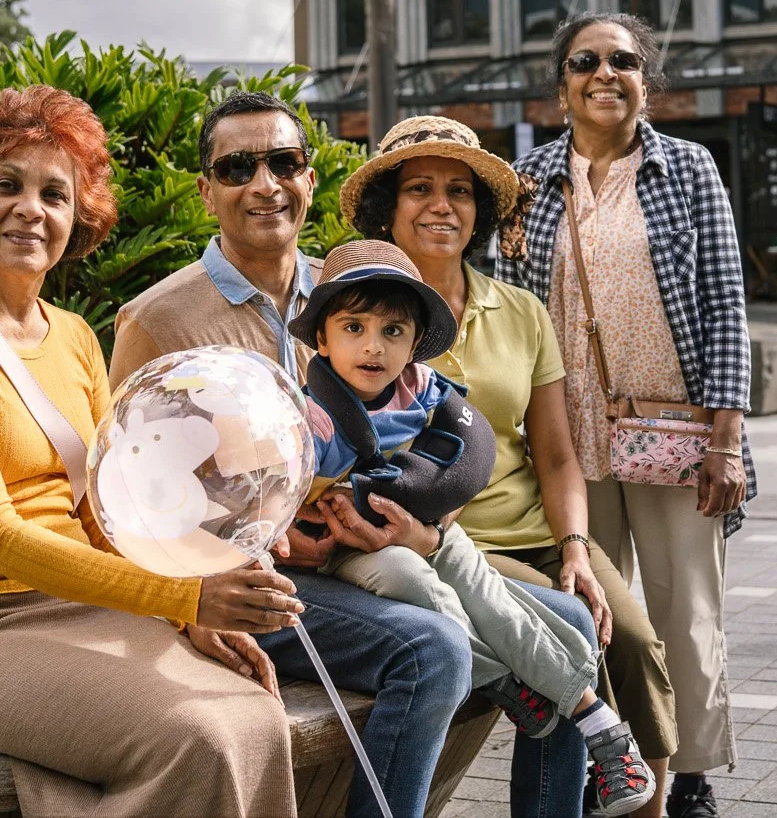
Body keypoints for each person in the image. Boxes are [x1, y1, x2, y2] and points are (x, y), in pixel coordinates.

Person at [111, 91, 593, 818]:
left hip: (377, 549)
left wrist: (422, 521)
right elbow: (126, 499)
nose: (264, 182)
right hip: (255, 581)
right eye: (238, 166)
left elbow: (438, 423)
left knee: (576, 622)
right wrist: (196, 599)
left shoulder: (356, 283)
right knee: (432, 649)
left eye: (284, 161)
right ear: (207, 189)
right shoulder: (159, 318)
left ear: (309, 178)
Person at [0, 85, 302, 818]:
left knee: (258, 715)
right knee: (194, 735)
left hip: (77, 606)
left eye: (54, 193)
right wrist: (184, 594)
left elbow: (110, 508)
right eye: (6, 184)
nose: (31, 208)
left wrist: (190, 617)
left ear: (78, 216)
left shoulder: (70, 335)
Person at [344, 115, 679, 818]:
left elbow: (556, 454)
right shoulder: (360, 314)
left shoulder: (521, 309)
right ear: (387, 208)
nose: (443, 204)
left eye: (460, 190)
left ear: (481, 211)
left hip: (537, 527)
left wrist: (577, 548)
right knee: (578, 629)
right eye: (421, 188)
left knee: (639, 641)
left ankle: (648, 808)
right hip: (449, 542)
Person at [294, 240, 659, 816]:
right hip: (352, 551)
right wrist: (348, 506)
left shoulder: (420, 388)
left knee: (498, 596)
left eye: (393, 332)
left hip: (426, 526)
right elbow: (281, 493)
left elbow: (470, 448)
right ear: (321, 338)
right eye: (354, 327)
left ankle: (597, 720)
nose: (373, 346)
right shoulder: (308, 412)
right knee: (415, 583)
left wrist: (419, 504)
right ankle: (521, 687)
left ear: (415, 344)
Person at [501, 14, 752, 818]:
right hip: (566, 440)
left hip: (676, 435)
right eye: (586, 61)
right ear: (561, 82)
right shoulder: (529, 177)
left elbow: (725, 306)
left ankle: (691, 773)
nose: (604, 73)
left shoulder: (688, 168)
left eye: (623, 60)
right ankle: (603, 764)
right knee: (593, 612)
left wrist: (727, 441)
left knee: (686, 610)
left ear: (646, 79)